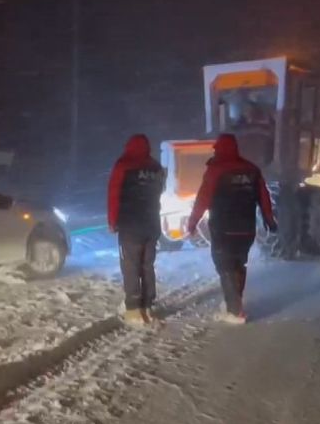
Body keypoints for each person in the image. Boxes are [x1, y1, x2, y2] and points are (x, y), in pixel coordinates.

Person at [187, 133, 277, 324]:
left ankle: (235, 310)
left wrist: (193, 222)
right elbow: (264, 196)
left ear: (219, 149)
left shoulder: (216, 170)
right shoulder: (252, 169)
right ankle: (236, 303)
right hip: (246, 229)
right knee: (238, 264)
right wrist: (269, 220)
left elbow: (203, 198)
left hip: (223, 227)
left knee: (225, 265)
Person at [108, 134, 165, 326]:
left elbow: (114, 194)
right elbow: (158, 192)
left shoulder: (123, 164)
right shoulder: (156, 167)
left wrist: (113, 221)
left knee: (131, 265)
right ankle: (148, 305)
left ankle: (133, 309)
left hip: (130, 225)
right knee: (147, 266)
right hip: (151, 224)